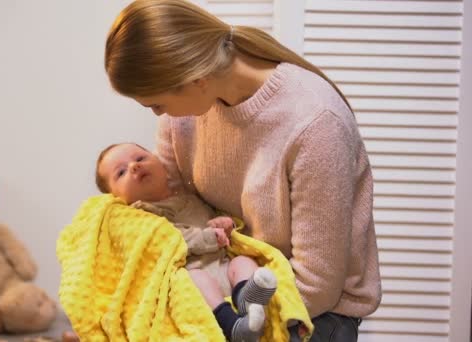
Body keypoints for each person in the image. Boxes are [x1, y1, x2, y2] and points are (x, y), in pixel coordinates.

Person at [99, 0, 382, 341]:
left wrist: (223, 321)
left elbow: (317, 286)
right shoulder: (183, 118)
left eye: (156, 104)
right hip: (223, 293)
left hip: (309, 312)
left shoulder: (316, 124)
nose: (159, 115)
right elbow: (171, 211)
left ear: (194, 79)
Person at [95, 142, 278, 342]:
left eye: (140, 158)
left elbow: (213, 224)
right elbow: (168, 242)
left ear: (160, 163)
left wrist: (224, 224)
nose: (134, 166)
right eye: (121, 173)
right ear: (116, 198)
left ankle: (247, 299)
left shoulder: (190, 197)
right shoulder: (140, 216)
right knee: (197, 277)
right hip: (194, 280)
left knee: (242, 262)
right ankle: (232, 326)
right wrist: (209, 237)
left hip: (224, 267)